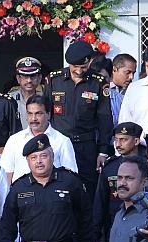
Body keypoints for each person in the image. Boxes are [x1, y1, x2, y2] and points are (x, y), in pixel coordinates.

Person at [46, 41, 113, 197]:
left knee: (87, 188)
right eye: (74, 66)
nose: (78, 71)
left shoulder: (98, 82)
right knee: (58, 186)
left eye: (83, 67)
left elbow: (105, 119)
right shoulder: (54, 80)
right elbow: (46, 113)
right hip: (60, 144)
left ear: (90, 62)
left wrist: (102, 151)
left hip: (86, 146)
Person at [90, 122, 144, 242]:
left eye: (123, 139)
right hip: (114, 225)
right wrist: (95, 237)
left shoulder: (147, 165)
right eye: (116, 139)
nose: (118, 144)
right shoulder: (110, 166)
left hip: (142, 226)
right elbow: (100, 202)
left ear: (136, 141)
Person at [0, 94, 77, 184]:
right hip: (21, 195)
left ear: (48, 115)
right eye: (30, 114)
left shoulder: (62, 141)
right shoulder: (14, 140)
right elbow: (5, 175)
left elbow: (71, 176)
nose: (33, 118)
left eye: (38, 113)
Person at [8, 57, 44, 129]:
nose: (29, 81)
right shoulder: (9, 99)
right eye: (25, 77)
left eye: (33, 76)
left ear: (39, 78)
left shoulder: (45, 98)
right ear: (18, 79)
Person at [108, 53, 137, 127]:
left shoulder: (135, 92)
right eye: (128, 72)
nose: (131, 77)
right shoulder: (103, 89)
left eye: (133, 73)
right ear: (114, 69)